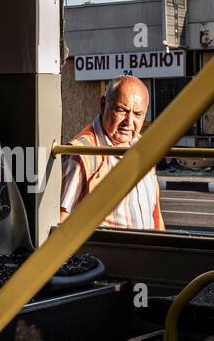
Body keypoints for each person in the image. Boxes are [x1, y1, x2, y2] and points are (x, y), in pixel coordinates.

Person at [59, 75, 165, 231]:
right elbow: (60, 222)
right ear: (103, 105)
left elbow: (155, 215)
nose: (129, 123)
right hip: (102, 253)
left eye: (137, 114)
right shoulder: (81, 154)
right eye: (121, 110)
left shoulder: (144, 147)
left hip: (146, 252)